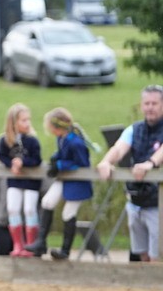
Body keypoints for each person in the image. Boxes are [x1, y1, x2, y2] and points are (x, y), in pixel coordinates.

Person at [96, 84, 163, 262]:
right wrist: (106, 162)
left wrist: (150, 163)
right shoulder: (135, 129)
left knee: (158, 255)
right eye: (146, 103)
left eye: (154, 103)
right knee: (143, 254)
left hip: (158, 203)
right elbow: (118, 148)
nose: (150, 107)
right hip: (137, 199)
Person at [28, 107, 94, 260]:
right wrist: (55, 158)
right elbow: (63, 153)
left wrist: (60, 165)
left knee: (68, 213)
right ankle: (41, 242)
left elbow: (81, 163)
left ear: (56, 127)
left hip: (77, 183)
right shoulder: (62, 138)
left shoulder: (76, 143)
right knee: (47, 202)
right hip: (64, 178)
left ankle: (65, 250)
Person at [0, 104, 42, 257]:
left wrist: (23, 163)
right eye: (23, 120)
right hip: (15, 181)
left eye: (28, 120)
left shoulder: (33, 141)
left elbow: (37, 159)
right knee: (13, 209)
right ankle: (18, 245)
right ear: (14, 122)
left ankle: (30, 245)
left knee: (29, 209)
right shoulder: (5, 141)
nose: (27, 123)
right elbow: (2, 156)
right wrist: (11, 165)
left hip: (30, 182)